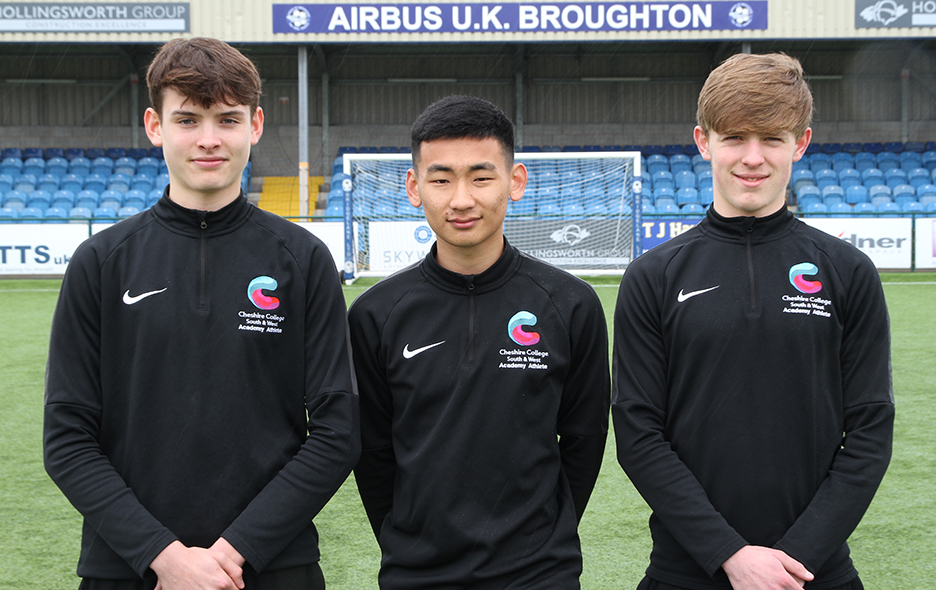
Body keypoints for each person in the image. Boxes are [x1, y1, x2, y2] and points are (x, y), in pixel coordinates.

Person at [43, 37, 360, 590]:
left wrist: (237, 550)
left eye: (227, 119)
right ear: (154, 125)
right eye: (188, 120)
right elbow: (67, 438)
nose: (209, 140)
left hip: (272, 567)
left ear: (255, 125)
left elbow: (337, 432)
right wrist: (162, 555)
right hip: (127, 567)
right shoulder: (100, 263)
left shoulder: (304, 260)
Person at [612, 53, 894, 590]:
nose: (752, 158)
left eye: (772, 138)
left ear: (801, 143)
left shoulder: (848, 271)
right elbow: (638, 433)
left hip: (814, 570)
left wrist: (792, 557)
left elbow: (869, 429)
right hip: (685, 570)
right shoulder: (653, 275)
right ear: (703, 142)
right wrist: (730, 554)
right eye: (735, 138)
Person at [349, 95, 610, 589]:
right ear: (414, 187)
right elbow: (373, 453)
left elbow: (584, 440)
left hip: (539, 575)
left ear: (515, 182)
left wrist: (543, 541)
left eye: (481, 177)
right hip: (416, 574)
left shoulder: (571, 305)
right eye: (441, 178)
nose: (461, 198)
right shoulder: (375, 314)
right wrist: (409, 542)